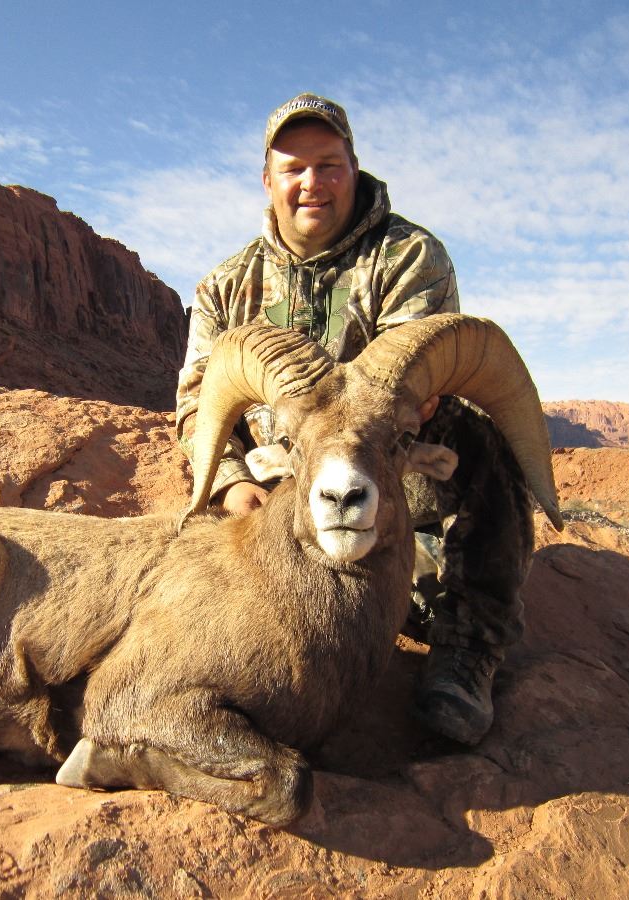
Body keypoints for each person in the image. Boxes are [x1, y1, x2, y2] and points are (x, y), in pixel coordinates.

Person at [174, 93, 536, 746]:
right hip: (281, 481)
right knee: (200, 528)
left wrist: (405, 410)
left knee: (480, 440)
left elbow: (406, 386)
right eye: (294, 168)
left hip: (387, 466)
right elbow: (199, 401)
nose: (312, 182)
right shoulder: (226, 286)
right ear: (268, 180)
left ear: (353, 169)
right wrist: (229, 481)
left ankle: (467, 647)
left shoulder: (408, 257)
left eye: (329, 165)